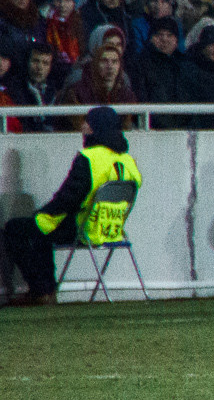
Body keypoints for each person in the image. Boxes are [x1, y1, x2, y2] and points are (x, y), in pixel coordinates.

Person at [3, 107, 141, 307]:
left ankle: (42, 291)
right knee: (40, 230)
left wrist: (41, 215)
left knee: (18, 229)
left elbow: (68, 198)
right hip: (112, 231)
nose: (83, 126)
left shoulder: (89, 157)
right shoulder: (128, 161)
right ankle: (45, 290)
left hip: (83, 228)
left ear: (95, 128)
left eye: (87, 122)